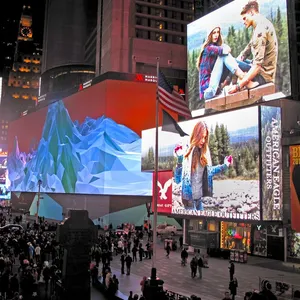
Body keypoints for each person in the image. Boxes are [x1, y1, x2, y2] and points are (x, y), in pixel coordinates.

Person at [176, 121, 233, 210]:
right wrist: (179, 159)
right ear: (196, 135)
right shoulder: (187, 152)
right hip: (189, 201)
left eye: (205, 137)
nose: (203, 141)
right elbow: (178, 179)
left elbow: (210, 171)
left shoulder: (203, 154)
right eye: (201, 137)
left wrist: (225, 165)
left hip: (199, 200)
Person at [228, 0, 278, 94]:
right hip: (266, 72)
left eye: (244, 18)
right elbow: (245, 52)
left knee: (227, 59)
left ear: (251, 12)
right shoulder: (261, 24)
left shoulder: (260, 29)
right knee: (232, 61)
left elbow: (257, 66)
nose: (243, 22)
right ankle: (233, 82)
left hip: (262, 76)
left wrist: (239, 86)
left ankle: (241, 84)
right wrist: (235, 64)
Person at [196, 24, 254, 101]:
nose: (216, 35)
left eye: (218, 32)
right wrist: (224, 47)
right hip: (208, 90)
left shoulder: (215, 47)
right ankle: (245, 75)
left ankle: (249, 67)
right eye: (214, 33)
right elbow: (227, 50)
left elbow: (229, 57)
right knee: (223, 56)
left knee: (229, 59)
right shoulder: (209, 48)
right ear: (209, 35)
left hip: (214, 85)